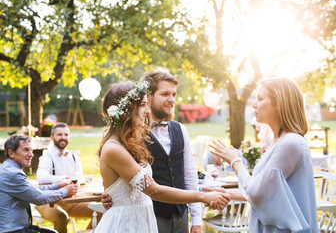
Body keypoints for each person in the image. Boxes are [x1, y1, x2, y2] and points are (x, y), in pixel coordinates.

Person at [95, 81, 230, 232]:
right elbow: (154, 190)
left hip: (143, 220)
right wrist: (203, 197)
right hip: (126, 224)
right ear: (126, 109)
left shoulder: (130, 142)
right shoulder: (114, 149)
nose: (147, 111)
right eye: (142, 105)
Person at [208, 77, 318, 232]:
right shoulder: (278, 142)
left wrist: (235, 161)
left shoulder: (291, 143)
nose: (254, 104)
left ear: (279, 103)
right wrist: (227, 193)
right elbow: (264, 192)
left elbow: (257, 193)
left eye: (260, 99)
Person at [0, 134, 77, 233]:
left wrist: (57, 186)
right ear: (11, 153)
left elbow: (32, 189)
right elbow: (39, 198)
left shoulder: (8, 169)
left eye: (31, 150)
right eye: (26, 150)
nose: (31, 154)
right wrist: (65, 191)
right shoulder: (13, 174)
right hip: (13, 230)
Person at [36, 122, 101, 233]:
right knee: (61, 217)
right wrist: (64, 180)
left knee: (102, 211)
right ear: (52, 137)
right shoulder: (46, 157)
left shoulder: (73, 157)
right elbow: (41, 178)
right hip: (49, 202)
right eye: (59, 135)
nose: (63, 137)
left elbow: (80, 178)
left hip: (72, 201)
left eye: (66, 135)